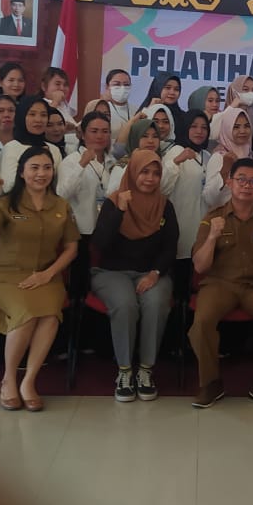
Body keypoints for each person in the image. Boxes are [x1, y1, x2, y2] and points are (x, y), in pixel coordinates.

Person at [0, 147, 81, 412]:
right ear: (22, 173)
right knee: (27, 313)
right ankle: (8, 380)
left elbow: (71, 248)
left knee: (50, 315)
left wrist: (48, 273)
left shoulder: (61, 205)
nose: (41, 173)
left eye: (47, 168)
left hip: (47, 275)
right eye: (34, 167)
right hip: (5, 275)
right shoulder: (6, 204)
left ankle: (29, 381)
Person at [189, 157, 253, 410]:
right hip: (220, 283)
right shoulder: (213, 217)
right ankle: (210, 383)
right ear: (229, 182)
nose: (247, 185)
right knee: (201, 323)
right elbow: (200, 267)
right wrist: (212, 237)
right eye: (241, 179)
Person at [90, 148, 178, 402]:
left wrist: (155, 273)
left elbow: (170, 246)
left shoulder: (164, 206)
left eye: (155, 173)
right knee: (125, 304)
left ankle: (146, 370)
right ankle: (125, 370)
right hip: (111, 272)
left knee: (156, 302)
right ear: (132, 173)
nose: (150, 178)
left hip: (151, 272)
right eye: (144, 172)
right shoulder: (114, 201)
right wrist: (119, 211)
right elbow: (100, 243)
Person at [55, 111, 115, 302]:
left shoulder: (112, 162)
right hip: (80, 231)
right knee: (80, 283)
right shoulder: (71, 161)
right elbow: (61, 195)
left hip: (105, 230)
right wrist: (82, 165)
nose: (100, 136)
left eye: (105, 131)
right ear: (82, 134)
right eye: (94, 131)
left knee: (101, 283)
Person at [162, 109, 212, 309]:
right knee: (179, 283)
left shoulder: (208, 156)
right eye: (194, 126)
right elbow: (162, 188)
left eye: (204, 127)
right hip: (181, 225)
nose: (199, 131)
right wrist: (176, 162)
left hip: (203, 226)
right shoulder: (175, 151)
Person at [0, 97, 64, 191]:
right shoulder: (12, 148)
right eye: (32, 114)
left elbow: (59, 187)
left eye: (43, 115)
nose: (38, 120)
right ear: (22, 116)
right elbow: (9, 186)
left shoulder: (54, 150)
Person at [204, 106, 253, 210]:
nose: (242, 131)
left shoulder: (250, 155)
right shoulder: (219, 157)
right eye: (236, 127)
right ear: (227, 128)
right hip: (224, 216)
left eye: (246, 126)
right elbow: (208, 198)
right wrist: (225, 171)